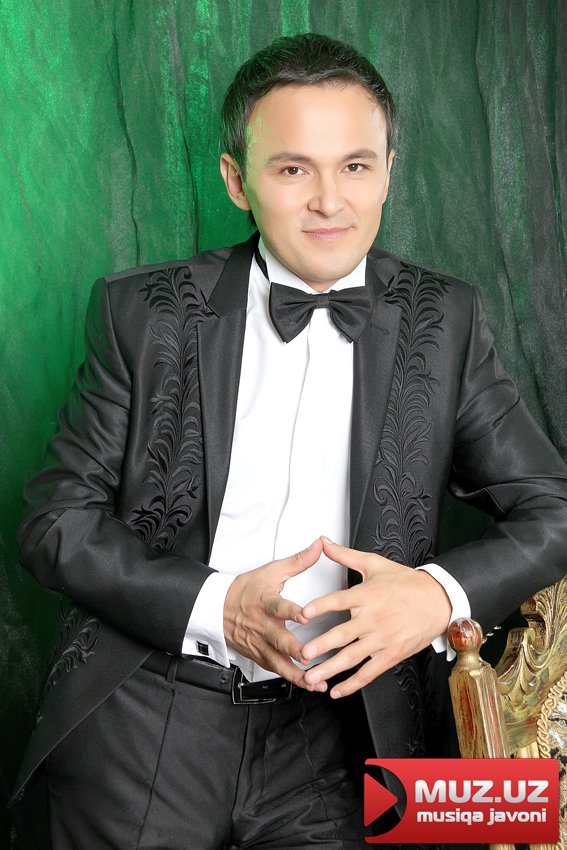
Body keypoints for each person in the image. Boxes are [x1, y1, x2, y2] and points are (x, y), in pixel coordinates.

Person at [12, 32, 567, 849]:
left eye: (355, 166)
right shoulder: (142, 312)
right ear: (237, 180)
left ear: (388, 170)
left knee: (475, 821)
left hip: (349, 738)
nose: (329, 203)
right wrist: (217, 607)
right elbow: (54, 522)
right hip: (148, 716)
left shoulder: (444, 318)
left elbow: (552, 511)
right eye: (292, 169)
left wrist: (434, 596)